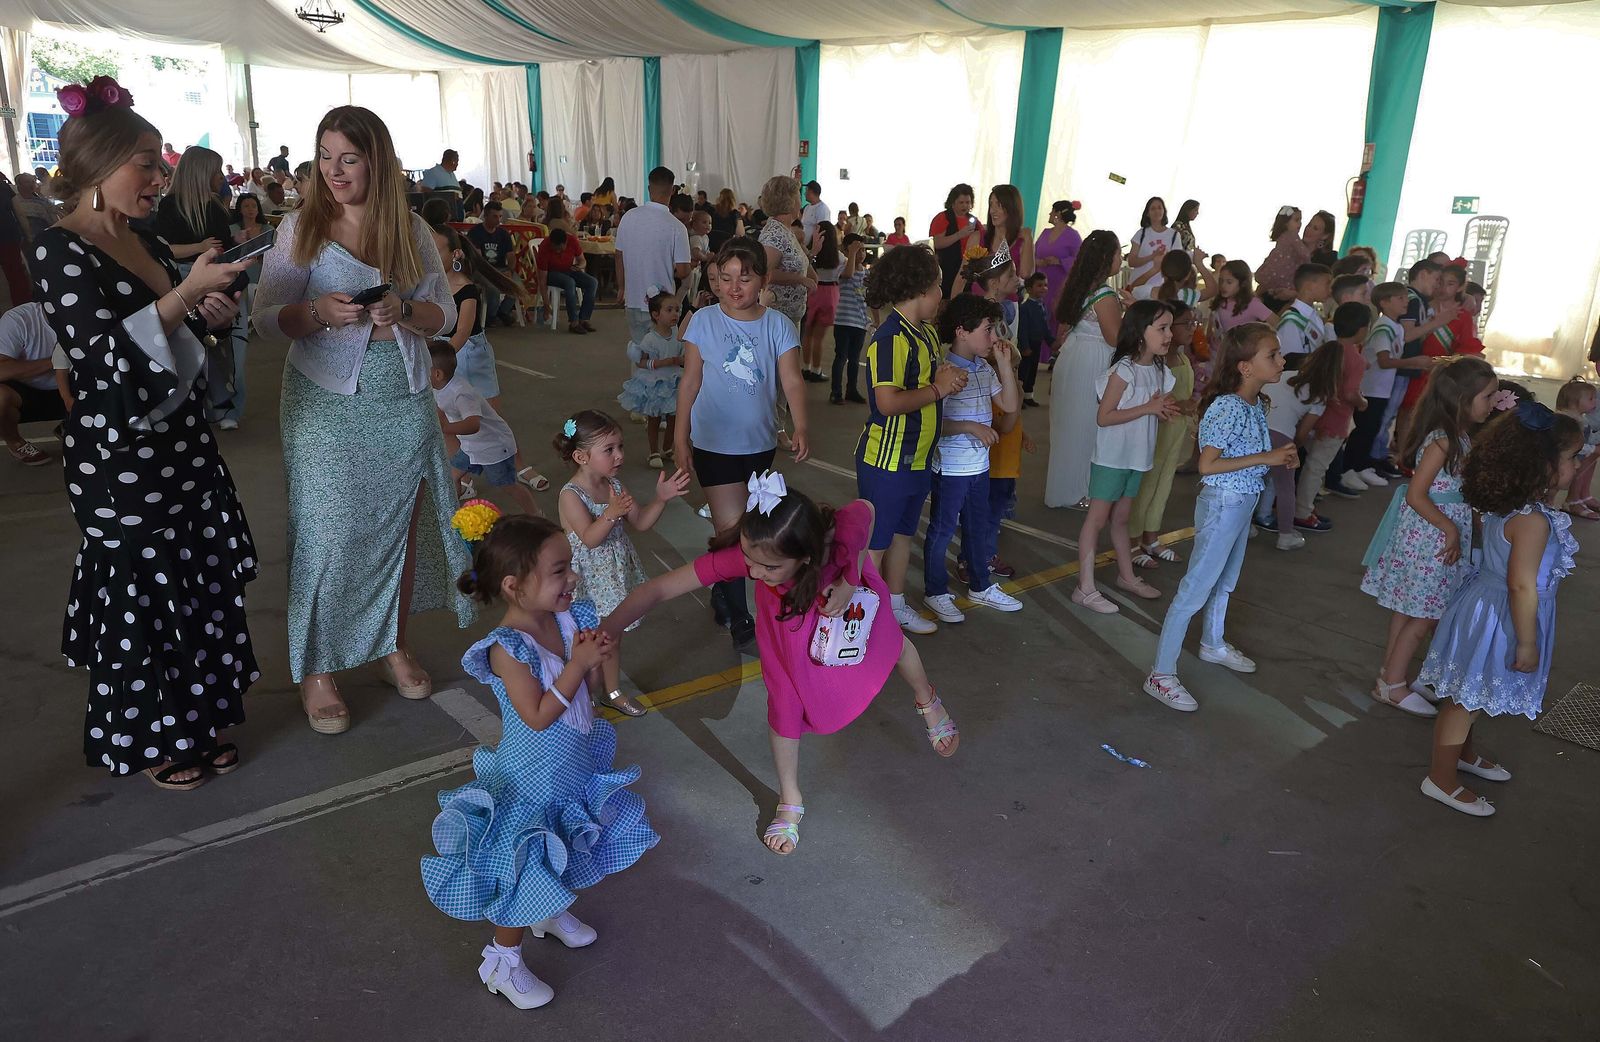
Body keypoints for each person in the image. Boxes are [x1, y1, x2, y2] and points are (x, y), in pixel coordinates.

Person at [36, 75, 259, 786]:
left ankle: (198, 719)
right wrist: (184, 296)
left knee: (197, 583)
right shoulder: (59, 250)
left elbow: (168, 336)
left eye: (159, 163)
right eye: (146, 163)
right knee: (145, 597)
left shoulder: (147, 241)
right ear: (99, 168)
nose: (159, 178)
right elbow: (102, 359)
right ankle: (154, 738)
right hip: (119, 456)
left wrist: (204, 310)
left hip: (181, 440)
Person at [254, 105, 469, 734]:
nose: (333, 172)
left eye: (347, 158)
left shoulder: (410, 229)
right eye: (324, 158)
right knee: (328, 533)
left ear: (378, 159)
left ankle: (390, 646)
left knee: (398, 531)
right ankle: (317, 668)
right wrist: (318, 312)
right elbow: (265, 321)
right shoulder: (301, 228)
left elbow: (444, 318)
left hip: (400, 395)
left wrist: (403, 310)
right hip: (323, 401)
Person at [602, 479, 959, 856]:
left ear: (806, 555)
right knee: (784, 710)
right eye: (748, 558)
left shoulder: (833, 539)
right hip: (788, 643)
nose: (753, 572)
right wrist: (607, 630)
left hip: (853, 615)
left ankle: (927, 700)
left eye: (769, 566)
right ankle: (790, 798)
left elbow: (865, 510)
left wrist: (850, 579)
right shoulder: (753, 555)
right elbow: (657, 589)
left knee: (893, 646)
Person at [422, 514, 658, 1010]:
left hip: (568, 768)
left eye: (569, 566)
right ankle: (501, 961)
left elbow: (584, 696)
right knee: (525, 861)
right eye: (558, 570)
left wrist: (593, 663)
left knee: (566, 841)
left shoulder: (568, 618)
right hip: (532, 778)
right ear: (514, 586)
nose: (572, 578)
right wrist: (578, 665)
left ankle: (547, 912)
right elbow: (536, 716)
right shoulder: (508, 648)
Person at [1415, 404, 1582, 817]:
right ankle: (1440, 778)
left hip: (1486, 608)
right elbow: (1522, 584)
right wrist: (1527, 642)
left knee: (1473, 693)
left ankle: (1463, 756)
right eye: (1573, 457)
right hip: (1503, 619)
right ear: (1544, 466)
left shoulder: (1516, 504)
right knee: (1464, 701)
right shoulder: (1533, 521)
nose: (1579, 465)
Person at [1142, 323, 1299, 711]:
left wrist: (1276, 458)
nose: (1281, 361)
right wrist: (1267, 458)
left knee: (1225, 580)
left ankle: (1212, 642)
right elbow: (1207, 465)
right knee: (1195, 587)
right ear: (1245, 367)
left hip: (1243, 500)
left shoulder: (1256, 403)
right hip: (1224, 502)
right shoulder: (1227, 405)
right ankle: (1160, 673)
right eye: (1272, 355)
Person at [674, 237, 809, 650]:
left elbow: (791, 380)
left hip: (759, 445)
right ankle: (740, 617)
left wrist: (801, 425)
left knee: (747, 529)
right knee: (733, 532)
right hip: (713, 444)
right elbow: (690, 381)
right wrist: (680, 437)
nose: (734, 287)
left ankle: (720, 584)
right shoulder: (703, 321)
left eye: (745, 278)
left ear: (763, 281)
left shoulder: (778, 326)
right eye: (726, 278)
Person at [1359, 356, 1499, 717]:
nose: (1492, 403)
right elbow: (1416, 494)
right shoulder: (1443, 442)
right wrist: (1451, 528)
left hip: (1437, 535)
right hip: (1431, 538)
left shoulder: (1459, 438)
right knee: (1424, 615)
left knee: (1412, 612)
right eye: (1487, 396)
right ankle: (1393, 684)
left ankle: (1391, 676)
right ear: (1462, 399)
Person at [856, 244, 965, 634]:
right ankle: (859, 615)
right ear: (920, 290)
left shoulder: (927, 336)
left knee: (903, 533)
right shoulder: (890, 339)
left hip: (918, 457)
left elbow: (931, 380)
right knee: (876, 541)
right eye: (937, 286)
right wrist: (938, 390)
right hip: (887, 460)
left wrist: (947, 379)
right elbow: (886, 403)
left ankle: (895, 604)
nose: (941, 295)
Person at [555, 409, 688, 706]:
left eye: (620, 447)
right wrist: (611, 514)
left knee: (612, 636)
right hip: (587, 580)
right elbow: (589, 539)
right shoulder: (571, 495)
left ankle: (612, 692)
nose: (619, 456)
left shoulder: (614, 486)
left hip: (615, 575)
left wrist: (661, 498)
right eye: (609, 450)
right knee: (587, 640)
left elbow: (640, 522)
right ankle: (584, 696)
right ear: (581, 457)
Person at [1070, 300, 1178, 614]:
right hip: (1112, 458)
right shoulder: (1124, 370)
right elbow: (1104, 417)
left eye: (1169, 327)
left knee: (1121, 519)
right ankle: (1084, 587)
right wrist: (1148, 409)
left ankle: (1126, 576)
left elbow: (1154, 407)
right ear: (1140, 332)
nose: (1168, 334)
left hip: (1137, 458)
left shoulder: (1158, 369)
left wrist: (1162, 410)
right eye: (1162, 328)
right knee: (1097, 519)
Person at [921, 292, 1023, 624]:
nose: (993, 338)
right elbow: (932, 424)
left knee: (978, 528)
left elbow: (1008, 405)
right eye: (987, 329)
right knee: (942, 528)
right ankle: (935, 590)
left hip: (979, 468)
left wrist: (1005, 367)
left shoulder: (983, 369)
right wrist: (970, 426)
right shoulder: (943, 370)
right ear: (962, 331)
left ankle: (981, 584)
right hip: (951, 469)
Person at [157, 146, 249, 427]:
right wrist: (199, 247)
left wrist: (240, 242)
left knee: (219, 347)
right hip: (190, 284)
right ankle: (220, 406)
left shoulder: (213, 206)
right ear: (201, 173)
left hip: (215, 281)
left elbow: (224, 247)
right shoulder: (169, 206)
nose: (220, 177)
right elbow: (163, 250)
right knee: (204, 345)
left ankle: (221, 406)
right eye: (215, 171)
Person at [1045, 230, 1124, 509]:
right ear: (1106, 258)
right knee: (1087, 427)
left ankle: (1067, 486)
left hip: (1073, 355)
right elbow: (1115, 338)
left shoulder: (1078, 285)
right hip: (1093, 361)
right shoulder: (1105, 295)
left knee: (1069, 424)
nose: (1122, 258)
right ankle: (1081, 490)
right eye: (1118, 253)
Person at [1342, 282, 1436, 489]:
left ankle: (1362, 465)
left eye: (1406, 298)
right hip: (1371, 388)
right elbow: (1384, 361)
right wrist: (1414, 362)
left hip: (1382, 389)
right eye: (1400, 298)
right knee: (1365, 429)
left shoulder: (1396, 327)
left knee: (1374, 427)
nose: (1406, 302)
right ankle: (1349, 467)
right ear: (1384, 303)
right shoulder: (1384, 327)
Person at [429, 342, 539, 516]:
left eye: (422, 369)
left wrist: (446, 428)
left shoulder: (461, 393)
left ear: (437, 374)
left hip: (493, 446)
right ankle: (452, 515)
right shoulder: (439, 386)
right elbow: (440, 407)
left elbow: (473, 424)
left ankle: (535, 514)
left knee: (507, 485)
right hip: (470, 446)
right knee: (453, 477)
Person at [1129, 301, 1200, 564]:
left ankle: (1151, 536)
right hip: (1158, 427)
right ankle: (1132, 540)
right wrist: (1179, 404)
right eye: (1185, 324)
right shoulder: (1155, 362)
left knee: (1164, 482)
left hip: (1176, 429)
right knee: (1147, 483)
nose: (1191, 329)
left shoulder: (1181, 356)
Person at [1292, 302, 1370, 520]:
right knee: (1316, 467)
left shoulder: (1326, 349)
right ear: (1363, 329)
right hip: (1336, 420)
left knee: (1307, 464)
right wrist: (1363, 403)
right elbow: (1349, 393)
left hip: (1311, 416)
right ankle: (1302, 511)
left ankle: (1296, 503)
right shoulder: (1356, 359)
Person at [1255, 340, 1335, 548]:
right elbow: (1302, 432)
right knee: (1285, 487)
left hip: (1257, 431)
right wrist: (1293, 449)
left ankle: (1245, 526)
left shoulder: (1286, 375)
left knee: (1252, 481)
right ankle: (1285, 535)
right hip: (1282, 437)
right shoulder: (1320, 394)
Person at [616, 166, 692, 343]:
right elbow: (682, 272)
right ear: (672, 190)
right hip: (662, 305)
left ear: (649, 188)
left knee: (639, 353)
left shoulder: (629, 217)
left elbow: (619, 255)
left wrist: (621, 287)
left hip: (633, 298)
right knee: (662, 357)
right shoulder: (677, 227)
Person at [618, 288, 684, 468]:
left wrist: (682, 359)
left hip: (674, 381)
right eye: (669, 310)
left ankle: (667, 448)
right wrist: (668, 361)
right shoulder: (650, 339)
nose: (675, 314)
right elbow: (642, 362)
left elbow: (682, 354)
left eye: (677, 310)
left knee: (674, 417)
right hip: (655, 382)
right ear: (656, 314)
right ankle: (653, 451)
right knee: (654, 418)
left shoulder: (678, 334)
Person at [0, 302, 64, 465]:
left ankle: (72, 425)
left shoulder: (93, 313)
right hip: (28, 392)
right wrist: (54, 361)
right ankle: (15, 442)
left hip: (74, 385)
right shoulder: (18, 319)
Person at [755, 175, 815, 333]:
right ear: (791, 200)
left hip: (788, 319)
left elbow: (791, 262)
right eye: (798, 195)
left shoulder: (784, 230)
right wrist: (800, 279)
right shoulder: (775, 234)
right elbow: (764, 272)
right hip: (777, 321)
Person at [466, 201, 523, 327]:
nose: (498, 220)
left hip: (501, 268)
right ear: (486, 216)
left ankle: (502, 312)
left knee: (517, 285)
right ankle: (490, 317)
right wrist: (494, 274)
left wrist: (510, 270)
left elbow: (511, 255)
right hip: (481, 271)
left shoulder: (503, 234)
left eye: (500, 217)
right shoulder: (475, 233)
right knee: (493, 289)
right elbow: (478, 260)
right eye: (495, 216)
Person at [829, 233, 870, 405]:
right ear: (846, 250)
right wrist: (851, 254)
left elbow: (871, 299)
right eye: (856, 250)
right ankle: (836, 392)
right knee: (841, 357)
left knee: (854, 359)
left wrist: (873, 320)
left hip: (860, 322)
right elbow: (847, 275)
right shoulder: (843, 266)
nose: (860, 253)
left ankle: (851, 389)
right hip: (843, 321)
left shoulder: (867, 273)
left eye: (862, 250)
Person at [1034, 200, 1081, 344]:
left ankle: (1052, 349)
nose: (1049, 214)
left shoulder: (1073, 235)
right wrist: (1038, 262)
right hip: (1041, 279)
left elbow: (1080, 259)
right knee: (1038, 314)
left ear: (1058, 214)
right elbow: (1033, 254)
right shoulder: (1045, 232)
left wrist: (1060, 261)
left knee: (1055, 314)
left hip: (1059, 281)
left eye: (1052, 210)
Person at [534, 227, 598, 334]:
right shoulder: (545, 247)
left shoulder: (572, 241)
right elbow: (542, 279)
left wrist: (579, 266)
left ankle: (584, 319)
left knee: (592, 283)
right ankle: (573, 322)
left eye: (560, 248)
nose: (558, 251)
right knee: (570, 283)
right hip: (552, 273)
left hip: (570, 269)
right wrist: (546, 303)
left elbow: (583, 260)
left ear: (565, 243)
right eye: (555, 249)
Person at [800, 222, 842, 383]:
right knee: (819, 337)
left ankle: (806, 367)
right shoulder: (838, 257)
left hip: (811, 291)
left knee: (807, 334)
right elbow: (847, 273)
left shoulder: (810, 254)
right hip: (830, 294)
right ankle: (817, 370)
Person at [1555, 378, 1600, 519]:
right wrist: (1592, 449)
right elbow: (1573, 445)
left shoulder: (1581, 419)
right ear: (1574, 402)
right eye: (1591, 399)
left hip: (1575, 458)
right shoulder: (1569, 421)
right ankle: (1570, 501)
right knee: (1553, 486)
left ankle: (1579, 498)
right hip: (1565, 460)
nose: (1596, 402)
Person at [1275, 262, 1332, 368]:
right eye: (1327, 283)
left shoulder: (1315, 314)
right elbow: (1291, 360)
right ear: (1309, 286)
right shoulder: (1291, 321)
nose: (1330, 289)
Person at [928, 184, 981, 297]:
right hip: (947, 269)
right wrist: (959, 234)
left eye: (967, 202)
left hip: (968, 271)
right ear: (953, 202)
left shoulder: (974, 221)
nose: (965, 206)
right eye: (961, 202)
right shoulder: (942, 218)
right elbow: (936, 243)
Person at [1208, 260, 1275, 339]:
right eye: (1221, 281)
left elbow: (1279, 323)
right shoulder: (1220, 300)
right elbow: (1212, 323)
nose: (1223, 285)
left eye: (1229, 282)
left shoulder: (1252, 304)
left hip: (1237, 350)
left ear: (1243, 284)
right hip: (1215, 349)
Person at [983, 183, 1034, 282]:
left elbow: (1026, 273)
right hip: (978, 296)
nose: (992, 211)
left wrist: (1028, 239)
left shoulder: (1022, 241)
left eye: (999, 205)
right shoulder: (979, 236)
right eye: (991, 204)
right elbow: (961, 277)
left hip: (1008, 297)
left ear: (1011, 208)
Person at [1127, 196, 1178, 285]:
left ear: (1164, 211)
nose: (1157, 211)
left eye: (1159, 208)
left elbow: (1177, 262)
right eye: (1153, 209)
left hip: (1162, 288)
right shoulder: (1141, 233)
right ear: (1147, 213)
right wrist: (1152, 256)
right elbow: (1131, 261)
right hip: (1138, 285)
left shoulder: (1174, 235)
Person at [1016, 271, 1049, 407]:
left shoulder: (1041, 305)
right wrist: (1024, 346)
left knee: (1033, 370)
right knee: (1024, 371)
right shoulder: (1025, 306)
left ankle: (1029, 395)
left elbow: (1044, 326)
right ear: (1029, 289)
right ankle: (1020, 397)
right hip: (1027, 344)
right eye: (1039, 285)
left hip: (1037, 343)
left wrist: (1051, 341)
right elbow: (1022, 328)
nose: (1044, 288)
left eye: (1045, 285)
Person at [12, 172, 60, 241]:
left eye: (33, 181)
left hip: (47, 234)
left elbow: (53, 218)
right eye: (27, 182)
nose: (31, 184)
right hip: (26, 237)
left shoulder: (43, 201)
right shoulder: (15, 201)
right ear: (19, 185)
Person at [419, 148, 462, 219]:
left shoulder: (452, 174)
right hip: (442, 218)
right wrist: (449, 197)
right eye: (457, 161)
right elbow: (425, 193)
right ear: (453, 161)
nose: (457, 164)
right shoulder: (433, 172)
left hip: (455, 217)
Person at [708, 188, 743, 253]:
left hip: (710, 243)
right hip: (726, 246)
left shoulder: (711, 210)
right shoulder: (735, 214)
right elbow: (740, 234)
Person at [800, 179, 830, 247]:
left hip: (813, 246)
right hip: (804, 246)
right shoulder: (807, 208)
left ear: (811, 192)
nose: (804, 193)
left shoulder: (822, 209)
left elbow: (821, 230)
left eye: (806, 191)